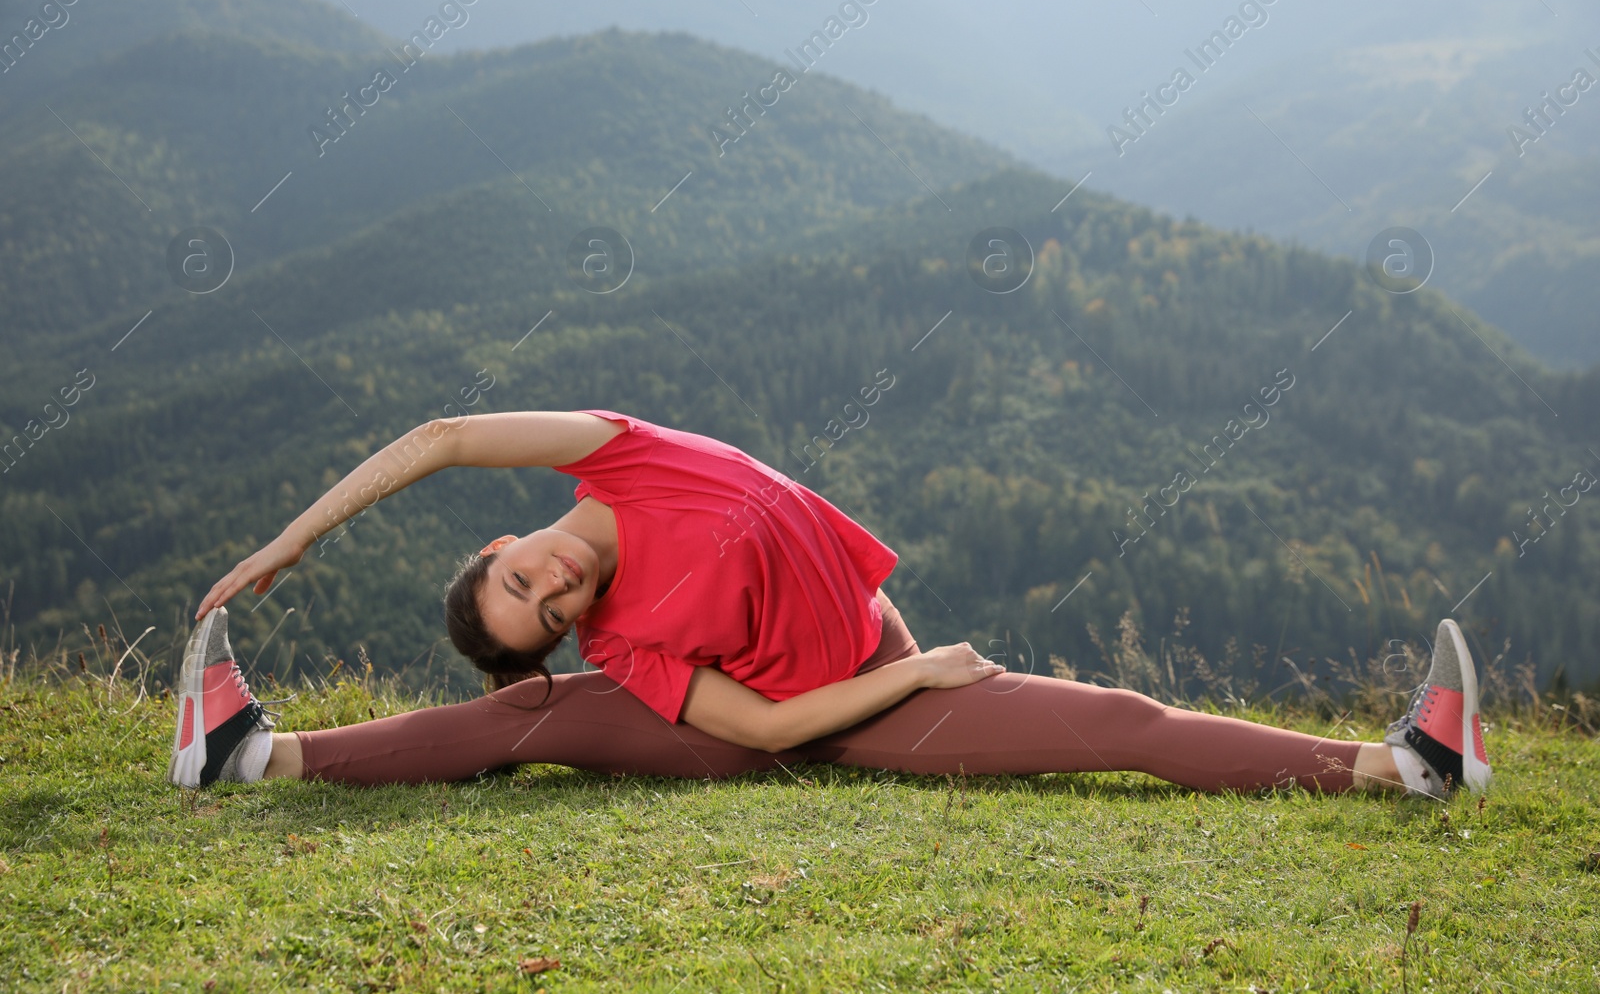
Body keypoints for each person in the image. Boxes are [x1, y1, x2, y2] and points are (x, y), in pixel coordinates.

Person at [168, 410, 1492, 800]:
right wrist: (913, 687)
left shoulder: (613, 449)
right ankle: (1405, 766)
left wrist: (289, 542)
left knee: (537, 712)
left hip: (878, 657)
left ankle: (1410, 762)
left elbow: (445, 433)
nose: (552, 589)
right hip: (837, 716)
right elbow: (757, 734)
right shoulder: (621, 642)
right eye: (543, 611)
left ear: (512, 539)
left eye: (524, 578)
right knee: (1120, 719)